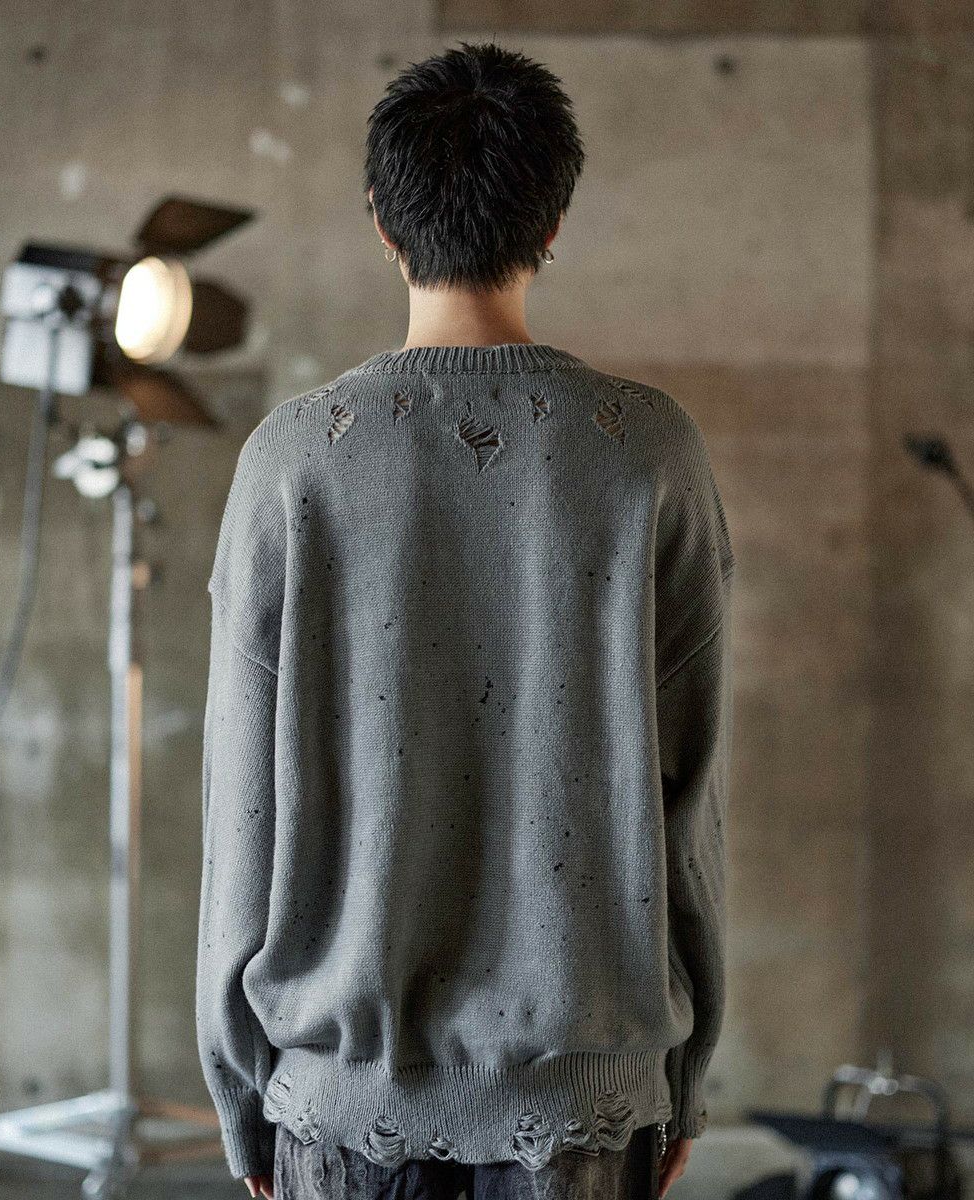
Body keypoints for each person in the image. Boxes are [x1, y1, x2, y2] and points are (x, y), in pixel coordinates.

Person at [196, 38, 736, 1200]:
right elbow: (689, 798)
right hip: (587, 1106)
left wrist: (243, 1098)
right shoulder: (649, 452)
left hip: (341, 1103)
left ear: (382, 222)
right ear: (552, 222)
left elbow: (243, 812)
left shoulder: (292, 460)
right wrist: (681, 1081)